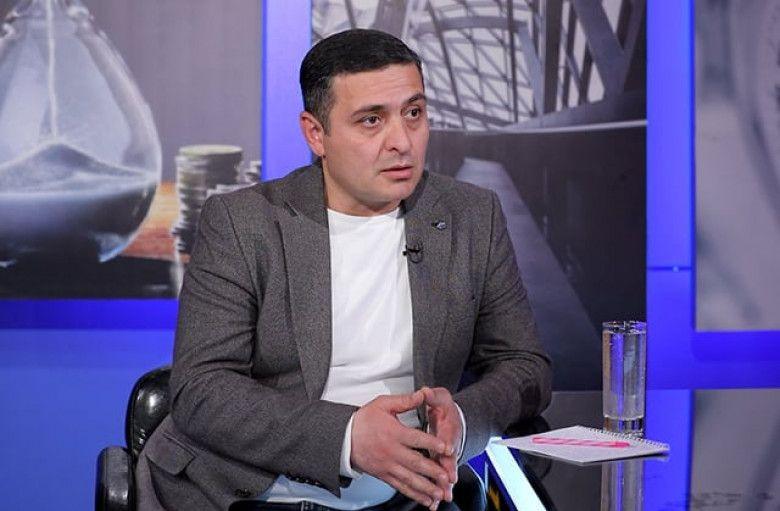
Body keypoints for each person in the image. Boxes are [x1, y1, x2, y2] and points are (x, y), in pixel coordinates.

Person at [135, 29, 552, 511]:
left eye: (413, 113)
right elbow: (202, 390)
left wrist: (461, 419)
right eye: (371, 120)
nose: (402, 142)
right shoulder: (243, 222)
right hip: (246, 494)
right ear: (316, 134)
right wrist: (348, 437)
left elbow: (525, 367)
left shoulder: (471, 216)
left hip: (412, 499)